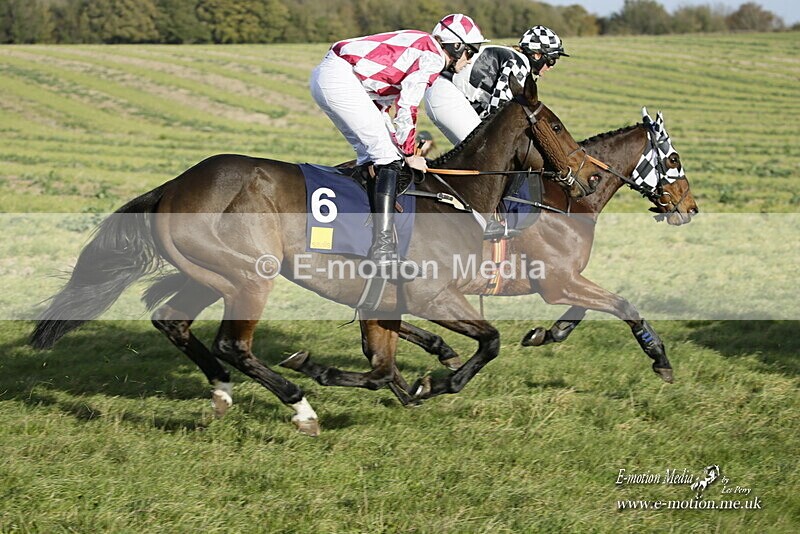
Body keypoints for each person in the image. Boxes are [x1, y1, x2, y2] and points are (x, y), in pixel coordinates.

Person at [310, 14, 488, 276]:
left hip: (339, 79)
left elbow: (383, 100)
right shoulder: (434, 55)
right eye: (470, 52)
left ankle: (361, 231)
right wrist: (409, 153)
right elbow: (407, 106)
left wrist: (399, 144)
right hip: (339, 79)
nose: (470, 59)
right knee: (388, 158)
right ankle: (382, 250)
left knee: (376, 157)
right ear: (457, 46)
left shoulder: (425, 45)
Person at [424, 25, 569, 145]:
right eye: (551, 60)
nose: (551, 67)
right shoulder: (519, 63)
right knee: (484, 151)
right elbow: (499, 108)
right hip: (445, 92)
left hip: (444, 92)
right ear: (537, 55)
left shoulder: (513, 57)